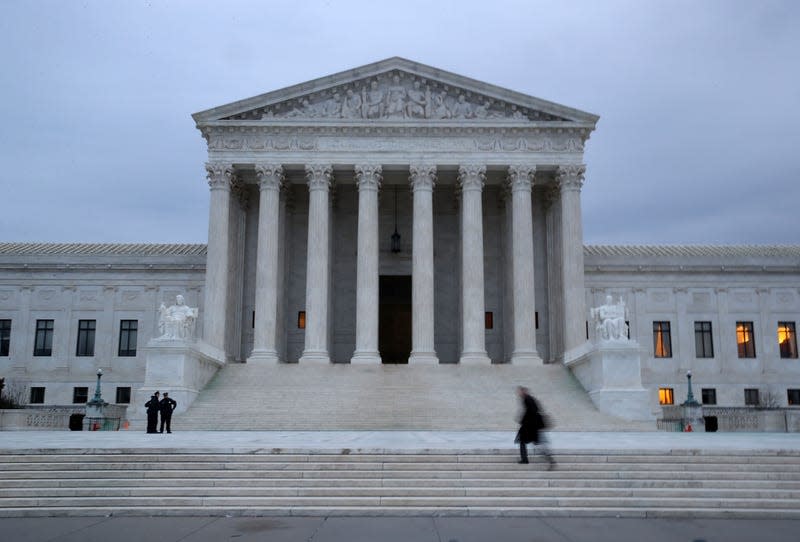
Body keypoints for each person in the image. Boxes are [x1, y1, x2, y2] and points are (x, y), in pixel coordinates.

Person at [515, 386, 555, 468]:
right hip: (533, 426)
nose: (518, 393)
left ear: (524, 391)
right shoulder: (531, 399)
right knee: (533, 443)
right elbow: (536, 410)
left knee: (526, 441)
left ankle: (526, 459)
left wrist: (522, 420)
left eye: (520, 391)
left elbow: (530, 412)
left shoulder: (527, 399)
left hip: (530, 426)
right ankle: (549, 459)